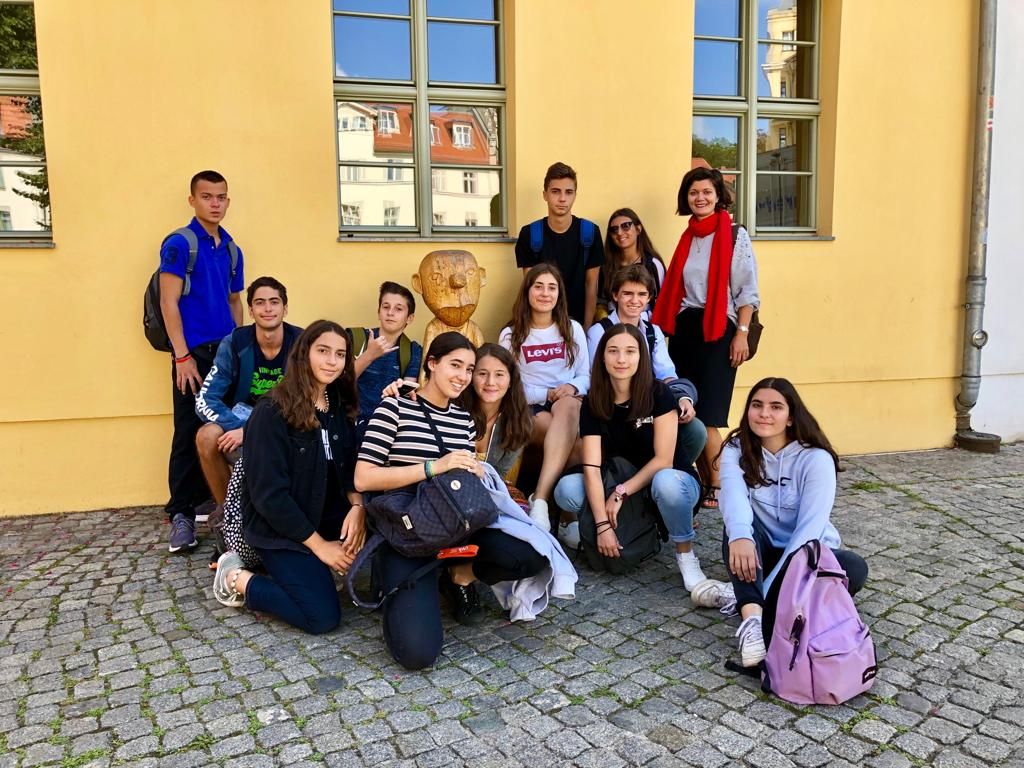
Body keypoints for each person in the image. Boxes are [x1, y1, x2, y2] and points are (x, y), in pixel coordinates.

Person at [354, 332, 547, 670]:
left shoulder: (463, 421)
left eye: (469, 369)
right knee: (417, 654)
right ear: (432, 363)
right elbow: (364, 478)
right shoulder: (394, 406)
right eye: (455, 365)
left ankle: (457, 573)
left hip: (453, 521)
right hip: (408, 530)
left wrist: (476, 474)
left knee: (530, 555)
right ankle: (410, 578)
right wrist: (433, 467)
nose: (463, 376)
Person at [554, 324, 731, 605]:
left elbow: (663, 460)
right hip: (618, 479)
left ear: (641, 357)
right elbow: (591, 467)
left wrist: (620, 492)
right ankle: (603, 529)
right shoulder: (593, 402)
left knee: (666, 483)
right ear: (602, 357)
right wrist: (602, 525)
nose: (621, 359)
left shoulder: (658, 393)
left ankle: (686, 555)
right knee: (566, 490)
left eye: (630, 351)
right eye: (613, 351)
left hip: (668, 479)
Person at [211, 321, 366, 635]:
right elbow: (270, 498)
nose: (332, 361)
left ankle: (315, 568)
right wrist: (321, 547)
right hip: (282, 529)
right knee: (322, 616)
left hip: (326, 516)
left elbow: (349, 465)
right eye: (323, 351)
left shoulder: (337, 403)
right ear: (304, 353)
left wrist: (357, 507)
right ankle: (237, 578)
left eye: (340, 354)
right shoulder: (271, 411)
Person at [719, 377, 869, 667]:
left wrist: (770, 591)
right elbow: (734, 499)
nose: (764, 414)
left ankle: (745, 596)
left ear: (790, 417)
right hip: (761, 548)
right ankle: (754, 623)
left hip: (805, 552)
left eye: (776, 407)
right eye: (757, 405)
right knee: (737, 530)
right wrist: (740, 535)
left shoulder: (816, 459)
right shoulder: (736, 449)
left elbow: (809, 531)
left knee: (854, 568)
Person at [652, 167, 759, 511]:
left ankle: (720, 483)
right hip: (686, 330)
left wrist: (741, 333)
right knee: (687, 408)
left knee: (710, 414)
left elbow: (747, 291)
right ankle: (702, 477)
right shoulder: (689, 236)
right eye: (693, 192)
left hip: (719, 329)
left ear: (718, 195)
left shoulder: (734, 235)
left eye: (706, 192)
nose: (700, 198)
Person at [160, 170, 245, 553]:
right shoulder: (180, 244)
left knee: (222, 424)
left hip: (224, 354)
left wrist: (241, 348)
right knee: (187, 430)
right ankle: (180, 513)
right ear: (192, 200)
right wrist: (181, 356)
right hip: (191, 354)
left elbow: (234, 301)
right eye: (207, 196)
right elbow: (168, 302)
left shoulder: (231, 249)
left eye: (221, 197)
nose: (215, 203)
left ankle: (215, 503)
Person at [499, 264, 590, 538]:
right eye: (538, 286)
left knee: (569, 405)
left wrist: (571, 386)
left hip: (569, 403)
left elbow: (586, 375)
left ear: (559, 294)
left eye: (552, 288)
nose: (545, 293)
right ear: (527, 291)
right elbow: (507, 385)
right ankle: (567, 515)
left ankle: (539, 498)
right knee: (576, 444)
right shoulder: (511, 334)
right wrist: (546, 393)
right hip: (530, 409)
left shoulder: (572, 329)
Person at [195, 276, 302, 506]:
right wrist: (240, 426)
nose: (267, 308)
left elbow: (310, 400)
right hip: (241, 418)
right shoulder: (235, 342)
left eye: (274, 302)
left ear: (285, 309)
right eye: (260, 302)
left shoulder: (302, 343)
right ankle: (228, 512)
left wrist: (253, 431)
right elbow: (206, 398)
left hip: (287, 420)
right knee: (206, 436)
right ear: (251, 311)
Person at [587, 265, 706, 467]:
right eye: (627, 293)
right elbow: (595, 378)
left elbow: (666, 373)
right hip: (614, 410)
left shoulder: (653, 331)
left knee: (695, 430)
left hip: (648, 406)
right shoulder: (599, 332)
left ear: (649, 297)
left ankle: (666, 474)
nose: (635, 300)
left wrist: (682, 397)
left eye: (642, 294)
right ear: (615, 295)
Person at [514, 162, 603, 328]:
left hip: (578, 324)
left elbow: (591, 287)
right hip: (541, 325)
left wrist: (586, 331)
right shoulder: (530, 234)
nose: (562, 199)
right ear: (545, 195)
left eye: (568, 192)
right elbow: (530, 288)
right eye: (555, 191)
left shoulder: (590, 233)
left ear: (575, 195)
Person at [460, 343, 534, 485]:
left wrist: (483, 476)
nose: (490, 382)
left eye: (499, 374)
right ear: (471, 377)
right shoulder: (456, 409)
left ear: (511, 380)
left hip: (482, 490)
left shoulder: (518, 421)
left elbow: (499, 475)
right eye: (482, 374)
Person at [352, 281, 422, 424]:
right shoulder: (357, 338)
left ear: (410, 318)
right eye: (386, 307)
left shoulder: (413, 351)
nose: (390, 313)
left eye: (398, 309)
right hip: (348, 425)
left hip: (386, 426)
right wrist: (369, 355)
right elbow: (339, 382)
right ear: (379, 312)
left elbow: (407, 397)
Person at [597, 208, 666, 317]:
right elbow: (601, 303)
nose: (619, 233)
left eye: (626, 226)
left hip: (646, 325)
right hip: (613, 325)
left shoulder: (652, 264)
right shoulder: (606, 266)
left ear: (638, 229)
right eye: (614, 229)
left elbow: (663, 302)